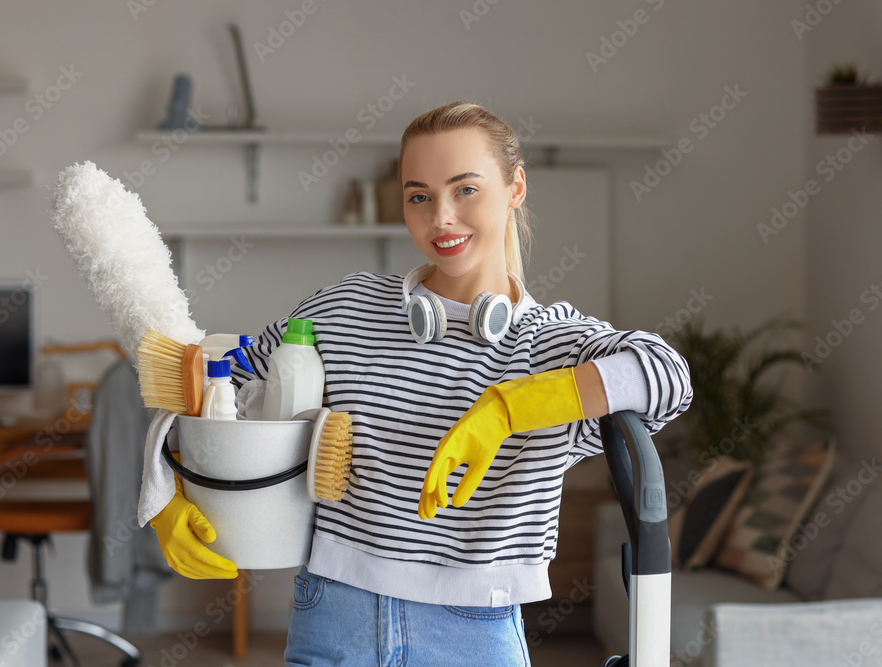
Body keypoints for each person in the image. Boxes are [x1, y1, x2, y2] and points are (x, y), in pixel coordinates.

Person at [140, 101, 693, 666]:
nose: (441, 218)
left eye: (466, 190)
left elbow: (668, 375)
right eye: (419, 196)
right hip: (333, 615)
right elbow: (210, 388)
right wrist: (165, 497)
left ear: (516, 187)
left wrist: (507, 408)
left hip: (473, 635)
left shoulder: (553, 344)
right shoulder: (344, 310)